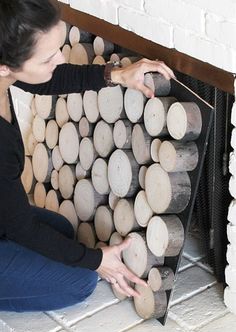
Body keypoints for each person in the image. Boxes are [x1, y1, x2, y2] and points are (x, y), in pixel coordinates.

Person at [0, 0, 174, 312]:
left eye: (59, 47)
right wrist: (97, 261)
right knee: (80, 281)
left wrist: (117, 75)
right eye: (48, 58)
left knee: (64, 232)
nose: (61, 58)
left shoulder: (7, 70)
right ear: (5, 66)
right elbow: (21, 229)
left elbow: (47, 79)